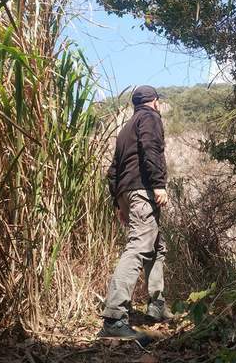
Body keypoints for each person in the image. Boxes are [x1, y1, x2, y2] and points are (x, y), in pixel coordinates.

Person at [101, 85, 174, 339]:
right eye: (158, 102)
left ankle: (157, 305)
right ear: (154, 101)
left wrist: (118, 202)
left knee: (156, 246)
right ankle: (113, 318)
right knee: (138, 247)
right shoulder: (150, 118)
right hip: (143, 189)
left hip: (126, 192)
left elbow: (113, 170)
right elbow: (151, 148)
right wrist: (158, 183)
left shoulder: (125, 129)